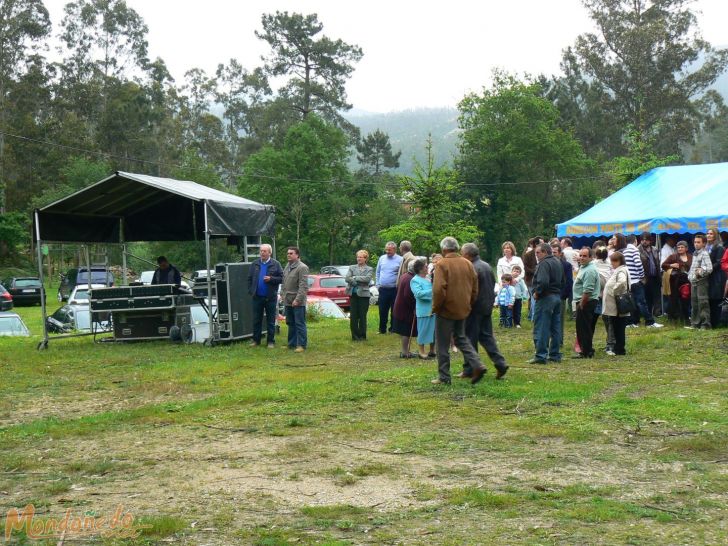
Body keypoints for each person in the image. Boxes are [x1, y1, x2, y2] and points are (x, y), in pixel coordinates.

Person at [431, 237, 487, 385]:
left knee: (442, 344)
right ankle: (477, 364)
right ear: (456, 248)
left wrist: (436, 307)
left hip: (446, 309)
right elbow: (475, 287)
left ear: (444, 249)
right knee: (461, 338)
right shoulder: (468, 263)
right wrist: (468, 303)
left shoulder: (442, 264)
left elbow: (438, 290)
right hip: (463, 308)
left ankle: (444, 377)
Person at [461, 243, 508, 379]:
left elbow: (470, 291)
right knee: (487, 337)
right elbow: (492, 284)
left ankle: (471, 368)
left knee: (469, 338)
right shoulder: (486, 266)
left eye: (462, 253)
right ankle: (500, 363)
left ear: (468, 255)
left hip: (474, 308)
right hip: (486, 306)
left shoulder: (471, 267)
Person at [529, 243, 565, 364]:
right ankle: (555, 354)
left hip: (545, 298)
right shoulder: (558, 262)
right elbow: (563, 281)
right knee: (555, 327)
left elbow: (543, 282)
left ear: (544, 252)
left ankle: (541, 355)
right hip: (556, 297)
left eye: (538, 253)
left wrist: (537, 293)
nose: (536, 255)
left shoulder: (544, 263)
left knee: (542, 327)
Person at [247, 244, 283, 348]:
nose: (262, 253)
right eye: (261, 251)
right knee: (256, 319)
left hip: (270, 297)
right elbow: (249, 278)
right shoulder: (255, 264)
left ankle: (270, 341)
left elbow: (282, 278)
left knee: (270, 320)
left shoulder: (276, 264)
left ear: (269, 253)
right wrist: (251, 291)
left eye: (264, 251)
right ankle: (256, 340)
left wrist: (271, 279)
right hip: (257, 297)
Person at [624, 234, 662, 328]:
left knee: (633, 302)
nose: (644, 241)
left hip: (630, 280)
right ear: (635, 241)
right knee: (641, 302)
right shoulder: (635, 250)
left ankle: (631, 322)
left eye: (647, 240)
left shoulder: (625, 251)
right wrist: (641, 276)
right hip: (637, 280)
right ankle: (649, 322)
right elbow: (638, 264)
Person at [572, 247, 601, 359]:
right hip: (583, 301)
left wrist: (582, 304)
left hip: (586, 302)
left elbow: (588, 290)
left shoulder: (590, 270)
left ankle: (587, 351)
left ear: (591, 257)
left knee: (584, 328)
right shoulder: (584, 267)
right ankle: (585, 350)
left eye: (585, 256)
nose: (582, 258)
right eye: (581, 255)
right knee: (582, 327)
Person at [602, 251, 631, 356]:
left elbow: (622, 282)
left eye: (615, 261)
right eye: (612, 261)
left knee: (618, 327)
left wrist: (614, 291)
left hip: (617, 305)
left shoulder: (621, 271)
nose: (613, 263)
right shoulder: (620, 270)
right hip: (615, 305)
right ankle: (618, 348)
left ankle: (619, 349)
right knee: (617, 326)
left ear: (620, 261)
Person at [282, 247, 309, 352]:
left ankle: (301, 345)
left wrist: (297, 299)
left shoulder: (302, 267)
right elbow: (284, 282)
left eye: (291, 253)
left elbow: (303, 286)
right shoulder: (287, 266)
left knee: (299, 323)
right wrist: (282, 295)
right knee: (290, 322)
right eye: (288, 253)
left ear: (297, 255)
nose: (288, 255)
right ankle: (291, 344)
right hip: (287, 300)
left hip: (297, 301)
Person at [345, 250, 374, 341]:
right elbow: (347, 278)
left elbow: (367, 279)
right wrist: (355, 282)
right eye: (358, 257)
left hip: (364, 295)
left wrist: (355, 277)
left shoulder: (369, 269)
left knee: (362, 316)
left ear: (365, 259)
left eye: (361, 257)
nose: (359, 259)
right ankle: (355, 336)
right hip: (353, 294)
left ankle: (362, 336)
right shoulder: (352, 267)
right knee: (353, 316)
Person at [661, 241, 692, 323]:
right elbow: (663, 265)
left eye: (682, 247)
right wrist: (671, 265)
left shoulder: (691, 257)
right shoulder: (673, 256)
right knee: (673, 300)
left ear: (686, 248)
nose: (680, 249)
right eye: (678, 247)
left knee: (686, 300)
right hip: (675, 281)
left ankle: (686, 317)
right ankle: (673, 318)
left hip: (687, 281)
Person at [410, 259, 435, 359]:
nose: (427, 268)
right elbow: (418, 294)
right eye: (425, 266)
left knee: (433, 331)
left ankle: (432, 350)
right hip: (424, 309)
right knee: (423, 330)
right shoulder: (415, 280)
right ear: (420, 269)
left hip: (434, 308)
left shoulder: (429, 278)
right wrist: (433, 290)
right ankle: (421, 351)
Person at [392, 260, 418, 358]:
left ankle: (405, 351)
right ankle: (405, 352)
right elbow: (408, 295)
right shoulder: (410, 279)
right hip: (405, 309)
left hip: (400, 307)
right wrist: (413, 307)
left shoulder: (405, 276)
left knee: (405, 331)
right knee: (406, 331)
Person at [375, 242, 402, 334]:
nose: (387, 251)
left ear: (395, 249)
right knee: (382, 310)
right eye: (386, 249)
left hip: (395, 289)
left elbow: (402, 274)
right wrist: (377, 284)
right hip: (383, 289)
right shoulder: (382, 258)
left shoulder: (400, 259)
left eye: (389, 250)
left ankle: (393, 329)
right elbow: (378, 272)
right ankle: (382, 329)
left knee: (394, 310)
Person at [687, 233, 712, 330]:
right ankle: (695, 324)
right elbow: (693, 267)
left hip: (701, 282)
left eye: (698, 242)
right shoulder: (695, 253)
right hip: (693, 282)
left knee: (703, 303)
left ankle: (705, 325)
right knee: (694, 303)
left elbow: (710, 268)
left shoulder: (704, 253)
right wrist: (690, 275)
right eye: (695, 242)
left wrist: (700, 272)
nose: (696, 244)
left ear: (704, 244)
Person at [594, 246, 615, 354]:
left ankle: (587, 345)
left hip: (596, 296)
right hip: (608, 295)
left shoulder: (593, 264)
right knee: (609, 320)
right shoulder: (609, 265)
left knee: (592, 321)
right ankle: (610, 343)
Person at [552, 244, 573, 348]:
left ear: (560, 253)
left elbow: (569, 282)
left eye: (555, 252)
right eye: (551, 252)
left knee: (559, 320)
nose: (553, 254)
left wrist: (563, 296)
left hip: (560, 296)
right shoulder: (546, 264)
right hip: (548, 296)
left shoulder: (566, 265)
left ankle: (558, 341)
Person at [638, 232, 661, 317]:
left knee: (656, 296)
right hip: (645, 277)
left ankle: (657, 313)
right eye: (643, 240)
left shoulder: (654, 249)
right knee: (647, 297)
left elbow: (658, 263)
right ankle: (647, 315)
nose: (644, 241)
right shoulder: (638, 250)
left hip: (655, 276)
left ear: (650, 241)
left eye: (646, 240)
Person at [706, 228, 725, 328]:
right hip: (709, 276)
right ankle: (710, 322)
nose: (708, 235)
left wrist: (706, 269)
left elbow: (719, 263)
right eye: (707, 233)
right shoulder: (706, 247)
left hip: (717, 277)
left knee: (715, 299)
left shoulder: (719, 247)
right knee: (709, 299)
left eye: (711, 234)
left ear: (715, 235)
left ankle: (715, 323)